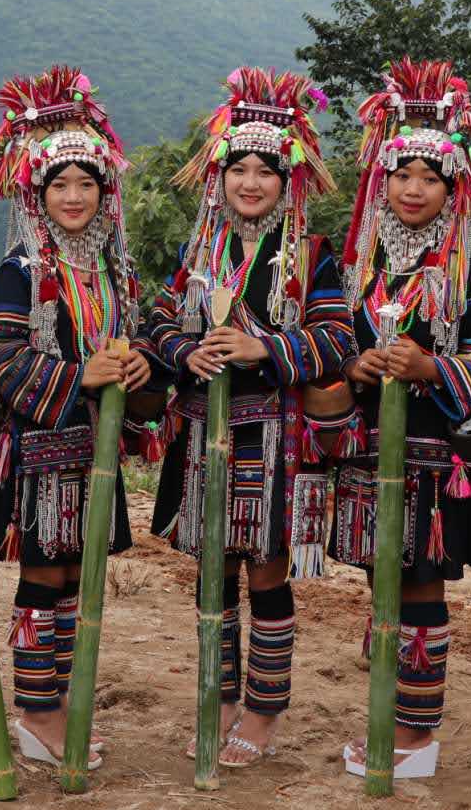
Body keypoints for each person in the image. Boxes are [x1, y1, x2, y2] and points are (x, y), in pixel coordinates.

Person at [147, 67, 354, 767]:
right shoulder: (196, 254)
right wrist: (188, 351)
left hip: (275, 439)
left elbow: (338, 338)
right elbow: (157, 324)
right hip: (203, 433)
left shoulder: (312, 257)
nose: (252, 181)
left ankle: (265, 710)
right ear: (219, 176)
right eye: (239, 168)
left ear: (289, 181)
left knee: (266, 572)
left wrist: (263, 346)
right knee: (214, 572)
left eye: (267, 170)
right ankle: (220, 697)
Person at [333, 59, 471, 780]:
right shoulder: (356, 263)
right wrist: (354, 365)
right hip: (366, 453)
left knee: (420, 588)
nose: (414, 188)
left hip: (435, 463)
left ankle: (414, 737)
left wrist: (431, 368)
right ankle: (387, 718)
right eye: (402, 174)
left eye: (430, 178)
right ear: (381, 181)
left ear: (453, 189)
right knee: (381, 583)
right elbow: (329, 338)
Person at [0, 65, 158, 770]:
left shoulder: (115, 271)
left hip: (96, 455)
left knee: (77, 579)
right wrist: (81, 375)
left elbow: (143, 336)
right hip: (41, 454)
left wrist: (140, 364)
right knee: (44, 578)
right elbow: (1, 357)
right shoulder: (20, 270)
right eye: (61, 185)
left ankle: (57, 702)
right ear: (38, 194)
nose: (75, 196)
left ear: (105, 192)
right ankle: (36, 710)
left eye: (87, 183)